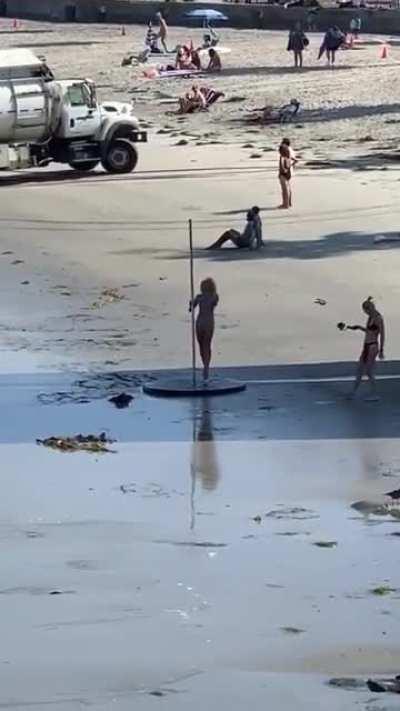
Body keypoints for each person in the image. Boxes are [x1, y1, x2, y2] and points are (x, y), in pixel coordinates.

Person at [347, 297, 385, 399]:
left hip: (373, 346)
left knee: (368, 371)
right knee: (360, 369)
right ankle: (353, 392)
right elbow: (370, 331)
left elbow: (382, 334)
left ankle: (375, 394)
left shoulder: (378, 318)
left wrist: (381, 350)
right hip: (366, 345)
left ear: (370, 308)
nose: (365, 313)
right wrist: (358, 327)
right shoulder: (370, 318)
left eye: (366, 310)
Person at [190, 278, 219, 383]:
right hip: (203, 323)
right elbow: (192, 307)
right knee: (203, 345)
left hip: (204, 323)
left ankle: (206, 367)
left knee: (205, 345)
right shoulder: (201, 297)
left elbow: (214, 303)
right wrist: (192, 303)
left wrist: (193, 303)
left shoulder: (211, 297)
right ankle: (205, 366)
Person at [278, 144, 293, 209]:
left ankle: (285, 204)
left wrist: (282, 172)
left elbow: (283, 167)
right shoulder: (288, 157)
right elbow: (288, 166)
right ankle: (288, 203)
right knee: (287, 190)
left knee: (284, 190)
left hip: (283, 175)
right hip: (287, 175)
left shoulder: (283, 157)